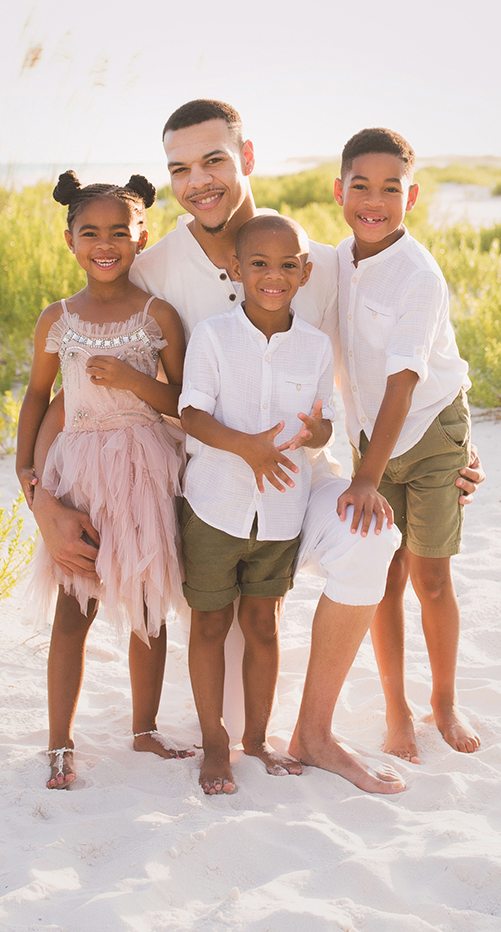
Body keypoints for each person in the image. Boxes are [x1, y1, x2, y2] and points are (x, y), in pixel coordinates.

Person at [25, 99, 487, 794]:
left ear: (245, 158)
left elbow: (387, 357)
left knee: (372, 535)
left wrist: (447, 447)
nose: (199, 180)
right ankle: (222, 729)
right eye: (180, 167)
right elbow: (79, 389)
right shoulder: (152, 273)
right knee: (233, 710)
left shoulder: (314, 259)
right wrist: (39, 500)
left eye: (214, 159)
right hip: (199, 506)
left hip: (298, 486)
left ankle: (316, 732)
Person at [13, 172, 195, 790]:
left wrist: (133, 380)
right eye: (90, 232)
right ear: (69, 241)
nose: (105, 244)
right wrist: (28, 476)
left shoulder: (156, 315)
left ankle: (143, 729)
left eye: (120, 231)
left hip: (144, 467)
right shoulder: (57, 320)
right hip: (80, 470)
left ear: (141, 237)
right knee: (74, 606)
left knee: (148, 603)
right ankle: (59, 742)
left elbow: (184, 403)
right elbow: (39, 399)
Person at [175, 213, 345, 794]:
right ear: (235, 269)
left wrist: (316, 433)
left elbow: (324, 429)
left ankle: (256, 737)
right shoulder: (215, 337)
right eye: (259, 265)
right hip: (215, 509)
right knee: (209, 623)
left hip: (280, 512)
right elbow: (191, 414)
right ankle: (215, 741)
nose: (273, 276)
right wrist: (246, 448)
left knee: (264, 627)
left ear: (305, 272)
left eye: (287, 265)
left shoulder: (316, 347)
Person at [335, 127, 482, 762]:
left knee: (431, 577)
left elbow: (403, 382)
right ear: (338, 191)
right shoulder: (334, 259)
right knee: (381, 578)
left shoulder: (419, 276)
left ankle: (443, 703)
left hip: (427, 430)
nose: (374, 201)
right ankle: (397, 710)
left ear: (411, 196)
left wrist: (365, 479)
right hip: (373, 435)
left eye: (390, 189)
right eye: (360, 187)